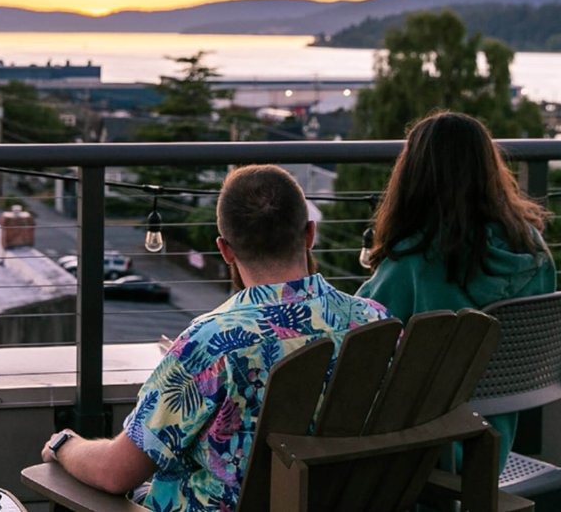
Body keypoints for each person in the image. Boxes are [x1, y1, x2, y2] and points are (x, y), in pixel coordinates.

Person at [41, 165, 388, 511]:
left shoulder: (211, 344)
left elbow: (115, 473)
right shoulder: (374, 321)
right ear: (310, 233)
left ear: (225, 250)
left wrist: (63, 444)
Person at [357, 110, 556, 470]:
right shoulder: (533, 249)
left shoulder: (414, 263)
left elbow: (356, 332)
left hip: (429, 448)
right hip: (494, 442)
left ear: (412, 175)